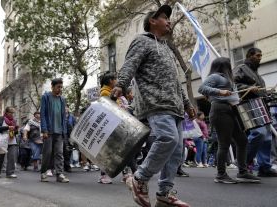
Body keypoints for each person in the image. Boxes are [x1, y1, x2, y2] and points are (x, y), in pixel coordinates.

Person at [112, 5, 196, 207]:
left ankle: (164, 194)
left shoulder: (166, 48)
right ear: (152, 21)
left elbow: (175, 80)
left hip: (174, 106)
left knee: (176, 151)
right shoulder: (142, 41)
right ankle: (139, 178)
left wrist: (187, 103)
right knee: (167, 138)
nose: (169, 21)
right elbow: (130, 64)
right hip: (155, 102)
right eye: (165, 18)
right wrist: (121, 84)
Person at [198, 57, 261, 184]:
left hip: (231, 110)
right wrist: (220, 92)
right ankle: (221, 174)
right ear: (224, 66)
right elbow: (202, 88)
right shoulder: (216, 77)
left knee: (242, 140)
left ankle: (242, 172)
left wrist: (249, 89)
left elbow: (235, 96)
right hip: (220, 110)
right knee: (224, 143)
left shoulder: (228, 80)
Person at [233, 47, 277, 177]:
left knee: (267, 138)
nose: (260, 58)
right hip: (249, 106)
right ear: (249, 56)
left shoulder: (257, 74)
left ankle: (264, 167)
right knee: (259, 133)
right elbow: (233, 84)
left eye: (261, 56)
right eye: (257, 55)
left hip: (262, 106)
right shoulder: (240, 68)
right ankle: (243, 162)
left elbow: (260, 91)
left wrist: (268, 94)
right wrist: (247, 88)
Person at [40, 78, 69, 183]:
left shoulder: (62, 99)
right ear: (52, 86)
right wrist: (44, 129)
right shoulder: (45, 97)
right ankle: (43, 172)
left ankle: (59, 174)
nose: (60, 89)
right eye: (58, 87)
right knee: (47, 152)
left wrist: (64, 130)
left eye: (61, 87)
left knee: (59, 153)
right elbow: (43, 114)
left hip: (59, 130)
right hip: (49, 130)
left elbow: (63, 115)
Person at [98, 72, 117, 184]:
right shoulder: (105, 92)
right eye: (115, 79)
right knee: (107, 151)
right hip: (108, 125)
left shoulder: (110, 92)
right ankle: (103, 175)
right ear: (110, 81)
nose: (117, 81)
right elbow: (110, 108)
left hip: (112, 124)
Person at [0, 107, 19, 178]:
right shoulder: (1, 119)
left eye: (13, 113)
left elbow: (15, 132)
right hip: (2, 140)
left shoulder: (14, 120)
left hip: (12, 140)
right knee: (1, 157)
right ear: (6, 112)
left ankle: (10, 173)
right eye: (10, 112)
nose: (12, 114)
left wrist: (16, 129)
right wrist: (8, 127)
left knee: (12, 157)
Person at [63, 106, 75, 173]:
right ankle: (66, 166)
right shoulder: (60, 116)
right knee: (64, 151)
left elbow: (74, 125)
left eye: (66, 108)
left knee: (69, 151)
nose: (65, 109)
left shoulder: (72, 117)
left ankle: (66, 165)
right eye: (64, 108)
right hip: (62, 135)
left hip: (70, 135)